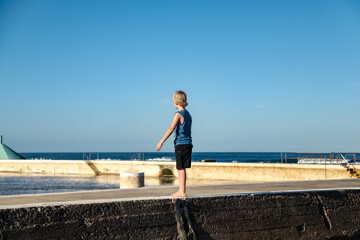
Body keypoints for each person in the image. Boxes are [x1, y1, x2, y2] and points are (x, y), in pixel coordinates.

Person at [157, 90, 193, 197]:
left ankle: (182, 191)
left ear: (176, 102)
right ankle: (182, 190)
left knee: (180, 167)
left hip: (181, 144)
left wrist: (161, 142)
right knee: (182, 168)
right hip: (188, 143)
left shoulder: (178, 114)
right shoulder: (188, 114)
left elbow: (171, 129)